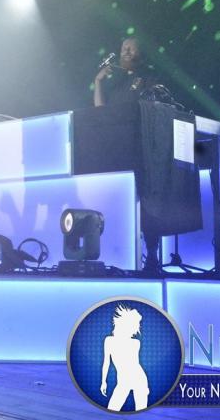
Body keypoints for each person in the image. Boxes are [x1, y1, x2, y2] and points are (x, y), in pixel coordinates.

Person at [92, 37, 161, 271]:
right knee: (119, 201)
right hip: (118, 149)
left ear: (141, 52)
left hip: (142, 149)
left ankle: (152, 255)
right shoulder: (118, 84)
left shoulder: (148, 77)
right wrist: (98, 82)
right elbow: (100, 112)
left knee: (147, 203)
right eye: (123, 48)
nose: (126, 51)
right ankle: (120, 254)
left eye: (131, 47)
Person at [100, 304, 149, 411]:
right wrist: (103, 381)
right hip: (123, 381)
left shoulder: (135, 343)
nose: (137, 328)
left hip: (138, 379)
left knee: (141, 411)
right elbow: (106, 363)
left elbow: (134, 364)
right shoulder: (109, 341)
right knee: (112, 408)